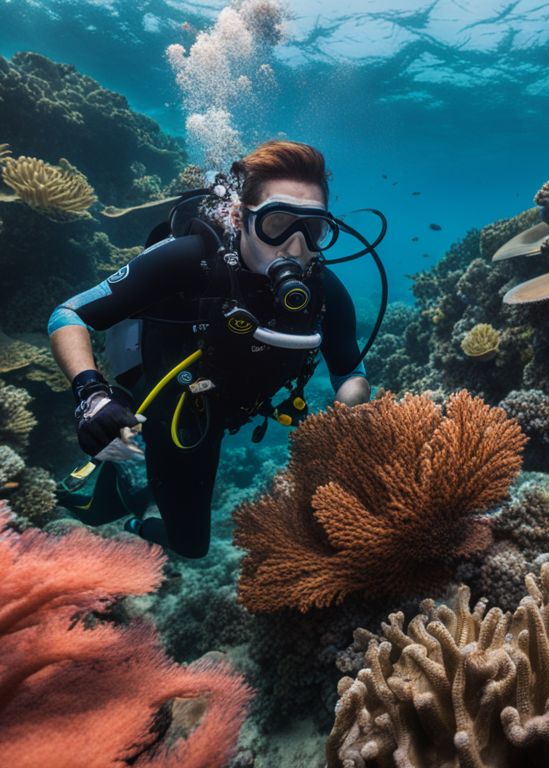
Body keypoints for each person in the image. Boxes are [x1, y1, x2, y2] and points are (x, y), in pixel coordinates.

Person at [47, 140, 372, 558]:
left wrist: (351, 420)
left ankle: (132, 495)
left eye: (312, 229)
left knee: (188, 544)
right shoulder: (188, 260)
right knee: (189, 546)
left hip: (228, 412)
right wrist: (90, 395)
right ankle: (121, 497)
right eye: (277, 224)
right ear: (239, 217)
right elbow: (68, 314)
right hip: (171, 411)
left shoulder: (323, 291)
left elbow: (349, 372)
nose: (295, 246)